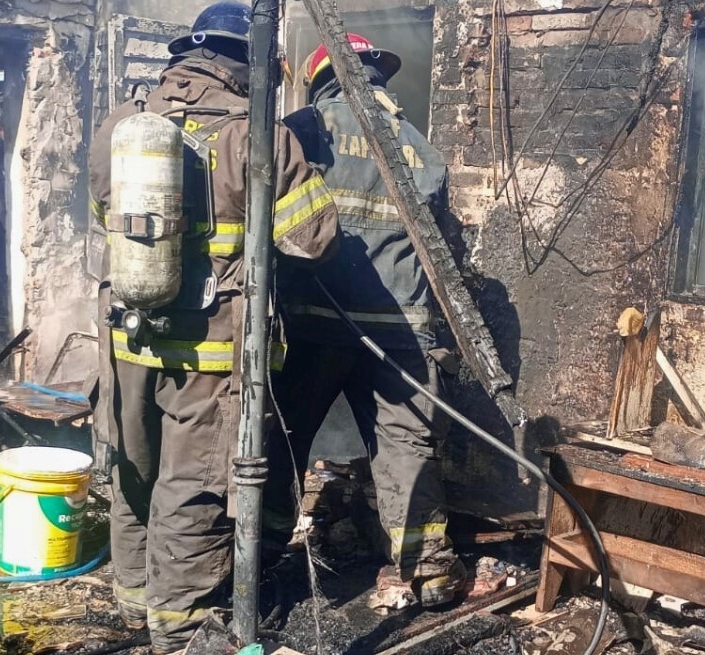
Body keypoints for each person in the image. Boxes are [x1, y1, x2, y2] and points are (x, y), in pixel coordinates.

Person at [86, 3, 340, 651]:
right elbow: (314, 240)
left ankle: (135, 601)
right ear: (245, 65)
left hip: (128, 340)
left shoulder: (122, 124)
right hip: (211, 351)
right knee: (192, 488)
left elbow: (101, 213)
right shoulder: (257, 136)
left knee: (136, 470)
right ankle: (184, 630)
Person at [267, 33, 466, 608]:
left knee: (284, 439)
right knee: (406, 444)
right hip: (398, 326)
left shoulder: (301, 132)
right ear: (378, 76)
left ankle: (260, 560)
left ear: (322, 76)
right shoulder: (420, 147)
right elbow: (442, 249)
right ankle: (428, 570)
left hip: (312, 322)